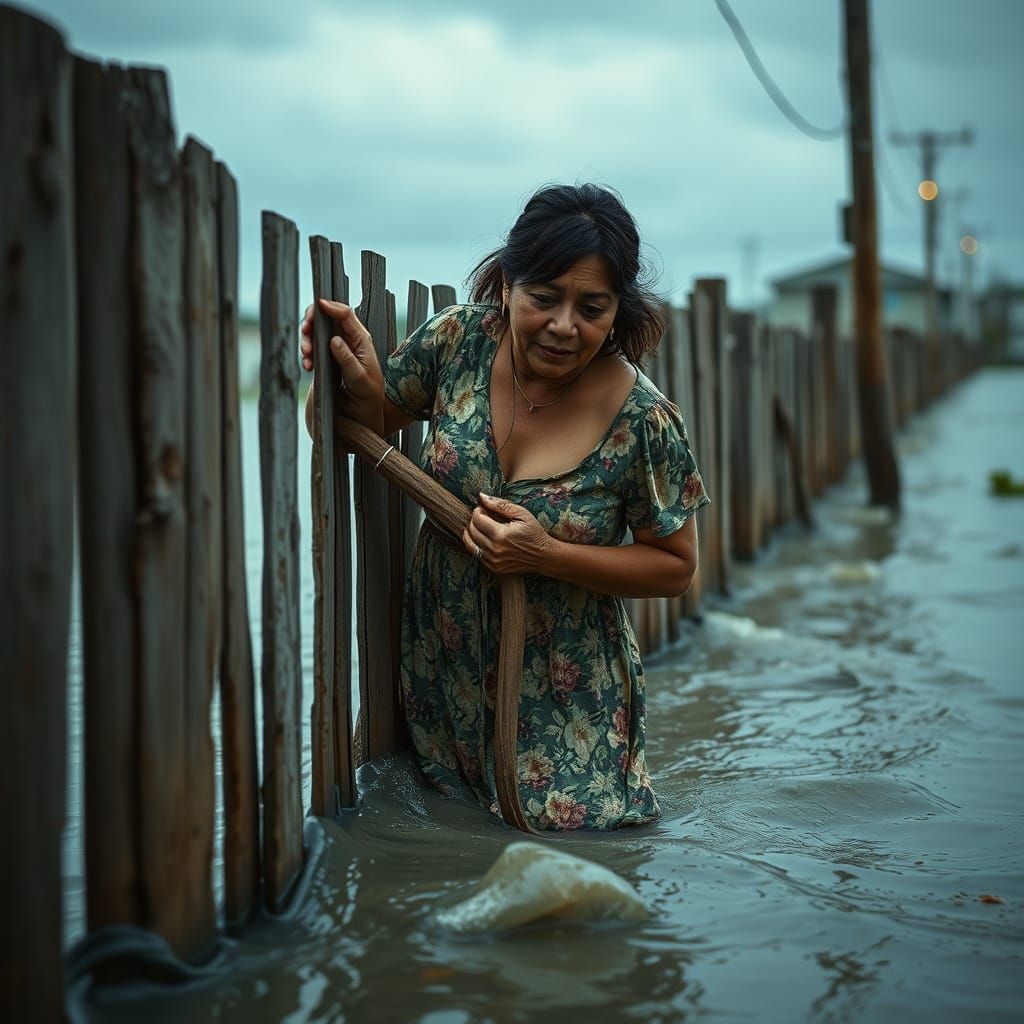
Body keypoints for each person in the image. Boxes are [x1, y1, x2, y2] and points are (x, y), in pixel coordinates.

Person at [300, 183, 709, 831]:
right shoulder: (459, 343)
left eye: (592, 307)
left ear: (618, 311)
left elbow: (675, 568)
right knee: (445, 862)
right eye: (543, 298)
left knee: (579, 864)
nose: (564, 326)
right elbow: (366, 425)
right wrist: (352, 370)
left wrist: (546, 553)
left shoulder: (644, 421)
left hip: (568, 702)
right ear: (507, 283)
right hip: (443, 675)